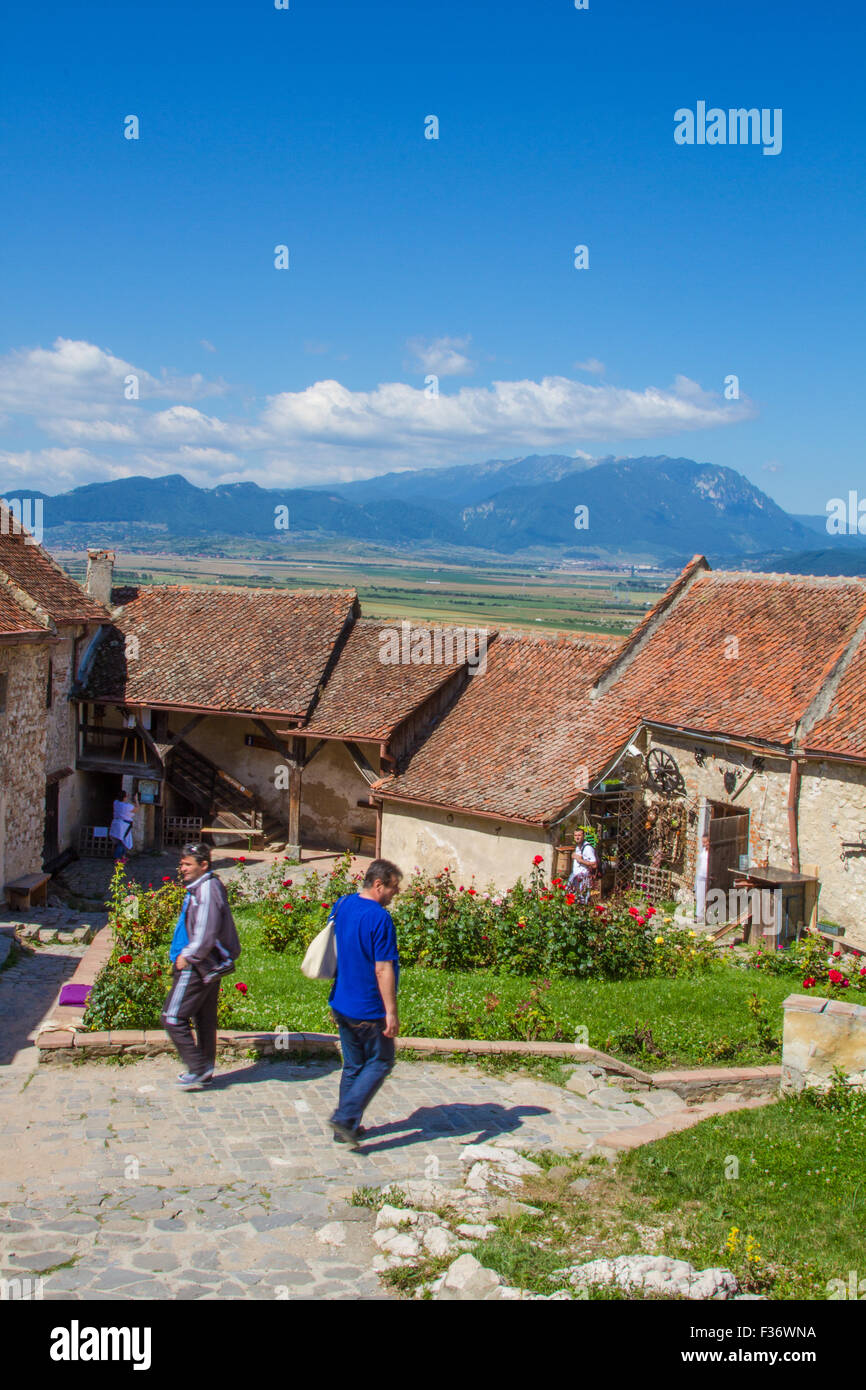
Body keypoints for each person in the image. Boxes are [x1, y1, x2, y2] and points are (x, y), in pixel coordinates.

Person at [327, 858, 402, 1148]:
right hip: (368, 1006)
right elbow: (382, 968)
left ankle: (346, 1128)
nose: (396, 893)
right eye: (394, 888)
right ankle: (345, 1118)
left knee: (353, 1066)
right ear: (378, 884)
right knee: (381, 1061)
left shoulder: (343, 903)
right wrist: (390, 1012)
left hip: (341, 999)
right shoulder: (380, 918)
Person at [161, 842, 241, 1091]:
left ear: (203, 865)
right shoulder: (201, 887)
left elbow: (206, 930)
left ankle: (198, 1067)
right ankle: (205, 1067)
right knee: (204, 1018)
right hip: (208, 963)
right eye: (181, 863)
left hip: (198, 963)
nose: (182, 868)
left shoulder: (206, 889)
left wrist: (188, 956)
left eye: (187, 864)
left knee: (172, 1016)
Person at [568, 827, 597, 904]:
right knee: (571, 898)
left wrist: (580, 860)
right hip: (575, 876)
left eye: (579, 835)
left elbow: (594, 864)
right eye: (575, 835)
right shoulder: (578, 846)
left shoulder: (587, 848)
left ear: (583, 836)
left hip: (583, 877)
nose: (577, 837)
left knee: (582, 900)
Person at [109, 788, 137, 860]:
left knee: (121, 841)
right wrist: (136, 800)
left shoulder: (116, 803)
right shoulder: (126, 806)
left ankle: (123, 856)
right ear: (124, 797)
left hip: (116, 823)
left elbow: (118, 800)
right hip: (124, 825)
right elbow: (136, 809)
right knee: (122, 842)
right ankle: (117, 857)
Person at [695, 832, 710, 924]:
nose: (703, 844)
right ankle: (699, 915)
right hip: (701, 875)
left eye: (705, 842)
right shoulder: (704, 850)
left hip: (709, 876)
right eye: (703, 842)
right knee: (700, 895)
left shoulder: (713, 852)